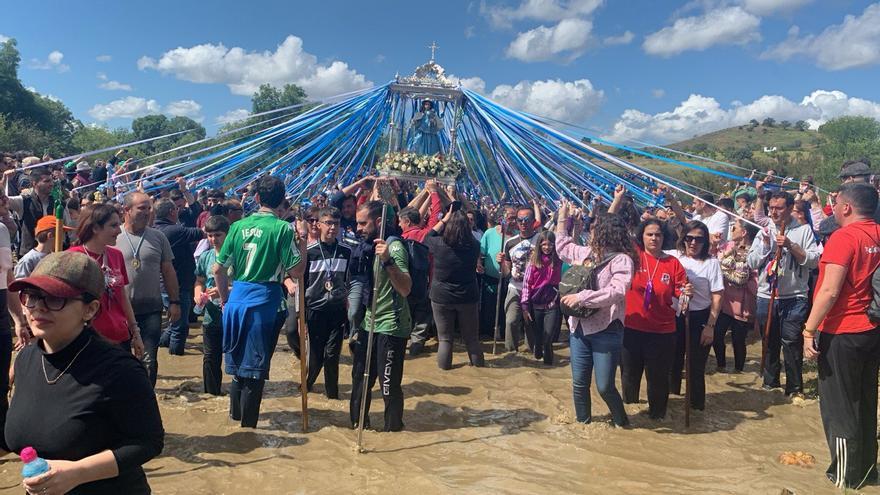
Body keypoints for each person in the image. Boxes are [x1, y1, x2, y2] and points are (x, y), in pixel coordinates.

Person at [3, 251, 164, 494]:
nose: (38, 308)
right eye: (32, 297)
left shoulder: (119, 370)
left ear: (89, 309)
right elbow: (18, 433)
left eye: (55, 299)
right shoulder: (26, 358)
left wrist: (78, 473)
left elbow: (148, 442)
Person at [803, 183, 880, 490]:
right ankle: (867, 469)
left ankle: (845, 478)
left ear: (847, 208)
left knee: (839, 408)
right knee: (864, 401)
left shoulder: (844, 237)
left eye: (835, 204)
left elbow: (830, 290)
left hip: (843, 329)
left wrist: (809, 330)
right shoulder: (877, 232)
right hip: (873, 329)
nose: (832, 209)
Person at [214, 175, 304, 428]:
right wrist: (304, 242)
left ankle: (234, 421)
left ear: (256, 199)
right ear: (282, 201)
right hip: (264, 304)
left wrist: (224, 301)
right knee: (254, 371)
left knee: (238, 367)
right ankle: (248, 430)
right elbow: (296, 271)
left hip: (235, 302)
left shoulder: (237, 226)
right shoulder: (282, 229)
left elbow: (218, 270)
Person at [556, 205, 635, 426]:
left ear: (603, 232)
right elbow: (562, 247)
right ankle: (583, 425)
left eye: (593, 228)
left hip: (607, 329)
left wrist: (583, 297)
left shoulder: (622, 261)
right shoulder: (585, 254)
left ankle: (622, 423)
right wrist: (562, 218)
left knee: (604, 386)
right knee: (579, 383)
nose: (590, 231)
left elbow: (617, 292)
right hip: (578, 328)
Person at [747, 191, 820, 396]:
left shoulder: (804, 230)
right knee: (769, 340)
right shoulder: (764, 231)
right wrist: (765, 246)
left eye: (778, 208)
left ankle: (795, 388)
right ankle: (770, 384)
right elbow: (751, 263)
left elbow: (814, 261)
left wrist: (791, 245)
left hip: (794, 296)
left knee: (791, 342)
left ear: (789, 208)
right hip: (766, 295)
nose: (773, 212)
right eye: (771, 207)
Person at [349, 201, 412, 432]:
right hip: (368, 323)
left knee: (388, 386)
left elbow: (406, 288)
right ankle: (357, 427)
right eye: (357, 223)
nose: (358, 228)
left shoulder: (394, 248)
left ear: (378, 222)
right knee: (359, 381)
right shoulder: (365, 245)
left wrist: (387, 261)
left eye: (363, 223)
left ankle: (393, 431)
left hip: (391, 325)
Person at [621, 219, 690, 419]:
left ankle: (657, 417)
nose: (654, 238)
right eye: (649, 234)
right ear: (641, 237)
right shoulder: (633, 257)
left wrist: (687, 292)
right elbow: (614, 227)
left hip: (662, 331)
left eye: (658, 234)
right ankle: (631, 419)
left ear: (664, 237)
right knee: (629, 377)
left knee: (658, 380)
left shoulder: (672, 263)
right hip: (631, 328)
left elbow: (680, 291)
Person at [117, 192, 180, 387]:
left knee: (148, 360)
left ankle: (147, 400)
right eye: (141, 208)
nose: (147, 212)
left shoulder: (158, 237)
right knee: (121, 360)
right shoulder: (114, 235)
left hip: (151, 310)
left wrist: (175, 302)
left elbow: (168, 271)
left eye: (149, 208)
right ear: (127, 210)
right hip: (119, 311)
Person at [69, 204, 144, 359]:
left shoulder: (116, 255)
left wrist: (135, 332)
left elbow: (122, 296)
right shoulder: (72, 258)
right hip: (88, 340)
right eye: (113, 225)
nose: (119, 230)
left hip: (120, 336)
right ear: (95, 228)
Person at [667, 221, 723, 411]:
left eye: (698, 239)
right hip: (675, 316)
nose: (693, 243)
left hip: (699, 317)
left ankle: (696, 408)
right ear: (683, 239)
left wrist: (710, 326)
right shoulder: (673, 257)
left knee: (695, 367)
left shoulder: (711, 263)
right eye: (689, 238)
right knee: (672, 362)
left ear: (705, 242)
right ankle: (671, 403)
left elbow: (717, 296)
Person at [423, 205, 484, 370]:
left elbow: (427, 236)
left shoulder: (438, 244)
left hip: (441, 296)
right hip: (467, 296)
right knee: (472, 339)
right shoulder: (474, 246)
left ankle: (444, 374)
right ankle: (480, 371)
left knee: (445, 339)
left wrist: (443, 219)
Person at [300, 207, 351, 398]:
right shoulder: (310, 252)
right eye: (328, 223)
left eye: (336, 224)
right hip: (315, 310)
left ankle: (333, 395)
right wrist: (301, 317)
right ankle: (307, 385)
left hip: (337, 310)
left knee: (332, 356)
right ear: (319, 225)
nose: (332, 228)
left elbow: (349, 280)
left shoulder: (346, 251)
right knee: (316, 357)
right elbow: (302, 285)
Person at [153, 198, 205, 355]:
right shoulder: (174, 231)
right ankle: (176, 355)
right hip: (177, 286)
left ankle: (160, 345)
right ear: (171, 212)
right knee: (180, 328)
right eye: (176, 209)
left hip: (166, 285)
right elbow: (201, 232)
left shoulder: (155, 229)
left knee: (174, 323)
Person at [713, 219, 759, 372]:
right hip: (725, 302)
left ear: (744, 232)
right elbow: (715, 262)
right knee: (717, 335)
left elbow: (753, 278)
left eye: (734, 228)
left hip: (743, 303)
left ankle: (739, 370)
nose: (731, 230)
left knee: (738, 340)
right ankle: (721, 366)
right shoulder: (727, 246)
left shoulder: (755, 251)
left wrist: (740, 278)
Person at [194, 215, 231, 396]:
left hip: (233, 315)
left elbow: (245, 285)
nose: (213, 239)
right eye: (210, 235)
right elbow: (199, 280)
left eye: (218, 235)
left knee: (234, 356)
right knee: (210, 357)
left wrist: (225, 289)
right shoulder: (206, 257)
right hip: (210, 315)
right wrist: (197, 294)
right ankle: (212, 394)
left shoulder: (237, 257)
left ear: (227, 235)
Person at [500, 206, 541, 353]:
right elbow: (505, 273)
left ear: (533, 221)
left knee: (530, 323)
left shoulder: (541, 240)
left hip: (535, 289)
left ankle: (532, 352)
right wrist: (502, 263)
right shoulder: (510, 242)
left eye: (527, 220)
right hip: (515, 287)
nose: (523, 223)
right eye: (520, 220)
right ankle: (511, 354)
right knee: (511, 321)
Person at [4, 167, 72, 256]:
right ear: (34, 183)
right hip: (30, 254)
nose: (51, 184)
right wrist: (4, 179)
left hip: (54, 255)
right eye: (46, 181)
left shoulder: (59, 203)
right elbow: (3, 199)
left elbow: (68, 230)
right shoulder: (23, 202)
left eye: (52, 181)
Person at [520, 230, 563, 365]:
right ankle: (537, 351)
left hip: (552, 305)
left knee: (548, 337)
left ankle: (549, 364)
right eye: (544, 244)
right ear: (539, 245)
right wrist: (525, 306)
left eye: (550, 244)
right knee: (538, 337)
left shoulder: (558, 261)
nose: (547, 247)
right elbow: (527, 285)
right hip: (535, 306)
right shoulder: (533, 263)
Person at [478, 205, 516, 339]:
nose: (513, 221)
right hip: (490, 277)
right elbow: (480, 252)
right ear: (502, 219)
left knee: (504, 308)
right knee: (488, 307)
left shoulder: (515, 237)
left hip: (508, 279)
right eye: (511, 218)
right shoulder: (489, 233)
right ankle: (487, 333)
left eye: (514, 218)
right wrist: (478, 263)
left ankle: (504, 334)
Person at [14, 215, 71, 280]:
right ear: (50, 236)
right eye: (61, 235)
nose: (63, 239)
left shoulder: (55, 256)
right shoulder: (28, 261)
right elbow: (21, 285)